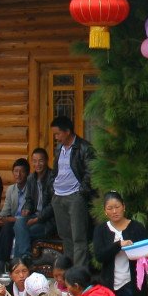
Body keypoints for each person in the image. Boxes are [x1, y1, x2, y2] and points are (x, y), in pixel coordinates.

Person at [49, 115, 97, 268]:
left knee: (79, 237)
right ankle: (69, 273)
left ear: (68, 131)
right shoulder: (59, 148)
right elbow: (56, 170)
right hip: (58, 196)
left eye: (58, 134)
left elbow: (91, 172)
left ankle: (80, 273)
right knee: (65, 236)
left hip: (75, 196)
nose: (56, 138)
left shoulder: (84, 147)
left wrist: (81, 191)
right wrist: (52, 187)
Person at [0, 158, 29, 275]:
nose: (18, 175)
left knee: (7, 226)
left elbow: (28, 215)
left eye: (22, 172)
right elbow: (6, 209)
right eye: (15, 171)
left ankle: (2, 262)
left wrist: (8, 219)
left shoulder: (31, 189)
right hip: (10, 219)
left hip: (23, 223)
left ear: (27, 173)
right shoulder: (11, 189)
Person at [16, 147, 57, 259]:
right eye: (34, 161)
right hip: (33, 216)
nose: (37, 164)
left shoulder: (53, 177)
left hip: (48, 221)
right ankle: (21, 261)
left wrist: (38, 219)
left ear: (47, 161)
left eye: (41, 161)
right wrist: (27, 208)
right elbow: (29, 199)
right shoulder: (31, 178)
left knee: (22, 232)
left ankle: (21, 260)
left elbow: (53, 205)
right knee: (19, 223)